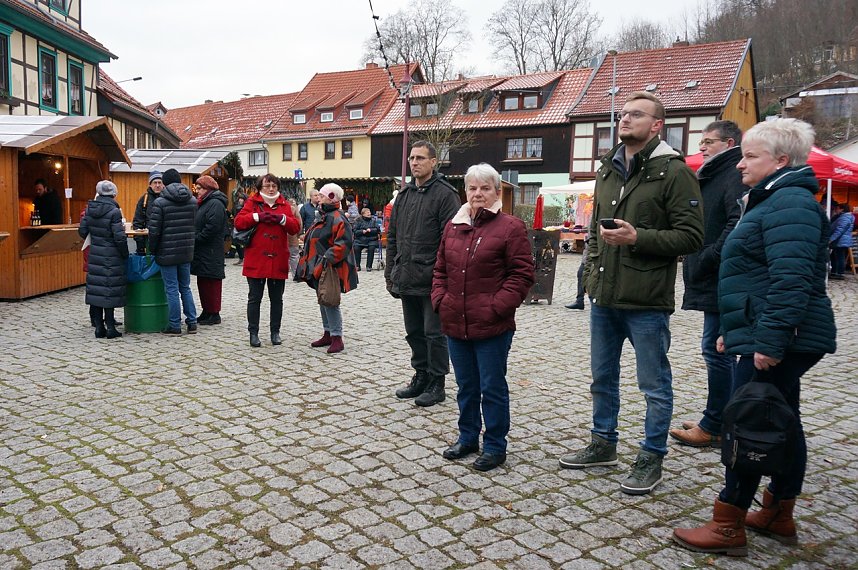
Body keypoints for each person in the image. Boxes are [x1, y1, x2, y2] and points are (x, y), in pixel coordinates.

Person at [673, 118, 836, 556]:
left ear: (781, 160)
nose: (740, 164)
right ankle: (778, 513)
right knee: (783, 421)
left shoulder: (790, 205)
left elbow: (792, 279)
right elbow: (758, 278)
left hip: (784, 336)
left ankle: (728, 523)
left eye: (750, 156)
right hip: (768, 331)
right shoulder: (773, 198)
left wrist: (767, 341)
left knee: (749, 421)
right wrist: (737, 332)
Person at [558, 91, 704, 496]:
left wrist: (638, 237)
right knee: (602, 378)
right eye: (622, 114)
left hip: (646, 301)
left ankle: (651, 457)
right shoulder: (607, 169)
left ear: (657, 125)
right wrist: (588, 276)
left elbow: (693, 236)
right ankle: (603, 444)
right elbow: (593, 232)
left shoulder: (673, 171)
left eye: (636, 114)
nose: (625, 119)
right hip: (604, 298)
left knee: (653, 385)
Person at [433, 163, 534, 471]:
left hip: (492, 325)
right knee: (466, 386)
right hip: (456, 322)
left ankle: (494, 445)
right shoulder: (454, 225)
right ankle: (467, 438)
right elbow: (440, 270)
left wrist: (497, 307)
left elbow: (521, 274)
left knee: (491, 387)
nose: (478, 194)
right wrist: (440, 300)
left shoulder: (510, 227)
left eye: (485, 188)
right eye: (472, 188)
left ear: (496, 191)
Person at [670, 121, 746, 448]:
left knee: (717, 351)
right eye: (701, 141)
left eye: (708, 141)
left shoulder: (731, 174)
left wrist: (708, 257)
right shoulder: (718, 172)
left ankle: (716, 424)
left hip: (722, 277)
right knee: (718, 351)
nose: (702, 147)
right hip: (716, 275)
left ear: (729, 143)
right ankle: (717, 417)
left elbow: (736, 223)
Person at [386, 140, 462, 407]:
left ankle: (437, 382)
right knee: (414, 332)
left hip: (433, 280)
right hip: (407, 277)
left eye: (420, 158)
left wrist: (445, 280)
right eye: (412, 158)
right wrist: (390, 274)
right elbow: (393, 237)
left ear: (433, 162)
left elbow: (452, 241)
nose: (415, 162)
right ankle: (421, 374)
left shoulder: (445, 195)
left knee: (434, 333)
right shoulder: (404, 195)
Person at [234, 174, 300, 347]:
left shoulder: (284, 204)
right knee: (254, 298)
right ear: (260, 187)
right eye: (267, 186)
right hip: (256, 258)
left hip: (277, 257)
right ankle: (253, 333)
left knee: (276, 299)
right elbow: (239, 222)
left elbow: (295, 228)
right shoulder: (252, 203)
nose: (271, 189)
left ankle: (275, 332)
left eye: (274, 186)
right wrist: (257, 217)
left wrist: (283, 219)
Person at [294, 183, 358, 354]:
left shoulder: (337, 216)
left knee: (330, 300)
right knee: (323, 299)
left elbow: (344, 243)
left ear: (331, 197)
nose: (318, 198)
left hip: (330, 266)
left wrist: (326, 259)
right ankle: (328, 333)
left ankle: (337, 337)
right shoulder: (324, 215)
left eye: (321, 196)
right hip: (318, 265)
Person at [148, 168, 198, 335]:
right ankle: (192, 322)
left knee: (171, 288)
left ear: (165, 183)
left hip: (166, 252)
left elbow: (154, 232)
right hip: (186, 251)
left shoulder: (160, 203)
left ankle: (174, 325)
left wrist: (153, 250)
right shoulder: (192, 201)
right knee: (185, 287)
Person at [78, 181, 129, 339]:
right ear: (113, 194)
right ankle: (111, 327)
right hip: (111, 255)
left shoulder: (89, 210)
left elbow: (82, 231)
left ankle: (99, 327)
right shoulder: (114, 211)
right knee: (109, 290)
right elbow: (119, 237)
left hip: (95, 253)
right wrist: (125, 254)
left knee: (98, 289)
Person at [191, 175, 228, 326]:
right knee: (203, 281)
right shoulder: (204, 202)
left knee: (212, 282)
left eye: (199, 188)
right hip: (203, 250)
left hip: (211, 250)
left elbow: (213, 226)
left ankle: (214, 313)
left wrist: (198, 237)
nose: (197, 191)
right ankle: (206, 311)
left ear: (208, 189)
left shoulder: (215, 203)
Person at [132, 171, 164, 254]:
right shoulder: (144, 200)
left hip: (164, 242)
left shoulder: (167, 199)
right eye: (155, 183)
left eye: (160, 182)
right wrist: (141, 244)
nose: (157, 185)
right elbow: (137, 222)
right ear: (150, 184)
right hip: (147, 242)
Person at [828, 201, 854, 280]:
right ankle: (834, 272)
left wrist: (831, 239)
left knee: (840, 257)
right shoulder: (841, 217)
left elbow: (839, 230)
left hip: (841, 240)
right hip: (839, 240)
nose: (836, 210)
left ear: (842, 209)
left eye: (837, 208)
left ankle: (840, 273)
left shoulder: (845, 218)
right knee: (834, 256)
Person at [564, 237, 588, 310]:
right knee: (581, 274)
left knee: (582, 274)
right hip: (588, 255)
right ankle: (580, 300)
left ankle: (580, 301)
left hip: (592, 256)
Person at [352, 207, 379, 271]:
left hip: (371, 239)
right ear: (363, 214)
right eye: (367, 212)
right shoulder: (358, 221)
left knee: (371, 248)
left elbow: (377, 229)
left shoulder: (373, 220)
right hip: (360, 239)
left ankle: (369, 266)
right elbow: (355, 231)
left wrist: (371, 230)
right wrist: (362, 231)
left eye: (369, 212)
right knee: (356, 247)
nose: (369, 213)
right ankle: (357, 265)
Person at [287, 197, 303, 276]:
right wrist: (298, 234)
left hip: (284, 238)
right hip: (293, 237)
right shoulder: (296, 212)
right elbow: (300, 224)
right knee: (294, 256)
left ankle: (284, 273)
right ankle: (296, 274)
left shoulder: (284, 210)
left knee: (285, 256)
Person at [231, 192, 248, 265]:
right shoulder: (237, 207)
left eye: (242, 199)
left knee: (242, 243)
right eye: (240, 199)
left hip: (244, 228)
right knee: (236, 242)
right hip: (237, 226)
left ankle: (244, 259)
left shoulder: (247, 207)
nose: (240, 200)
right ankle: (241, 258)